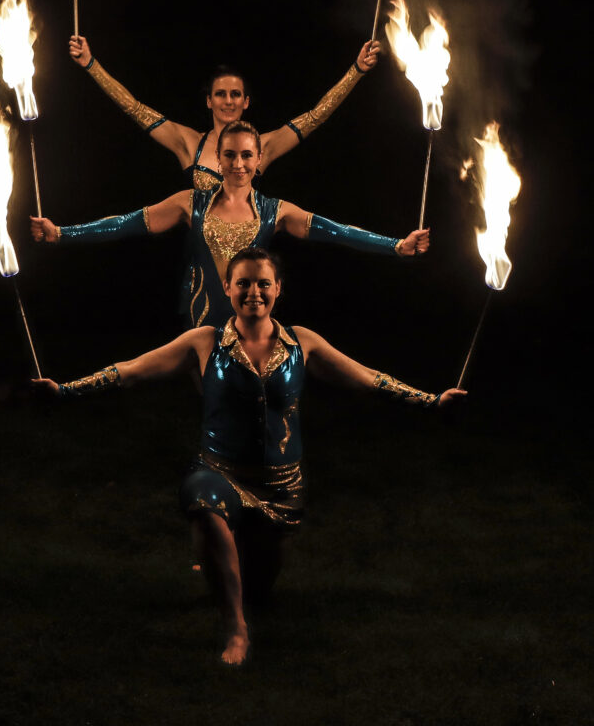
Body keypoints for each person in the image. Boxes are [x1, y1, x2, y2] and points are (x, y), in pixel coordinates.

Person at [32, 247, 467, 666]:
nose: (253, 292)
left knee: (259, 589)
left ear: (279, 288)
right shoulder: (204, 342)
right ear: (227, 287)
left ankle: (228, 563)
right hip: (219, 472)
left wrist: (430, 401)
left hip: (281, 489)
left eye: (263, 283)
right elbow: (131, 369)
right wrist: (66, 390)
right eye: (243, 284)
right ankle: (236, 629)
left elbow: (369, 379)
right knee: (205, 503)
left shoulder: (303, 344)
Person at [30, 120, 430, 329]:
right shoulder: (191, 203)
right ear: (217, 159)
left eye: (247, 156)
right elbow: (125, 223)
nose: (238, 164)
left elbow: (338, 231)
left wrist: (394, 245)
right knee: (211, 399)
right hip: (199, 315)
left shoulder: (276, 211)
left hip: (254, 316)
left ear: (258, 160)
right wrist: (63, 233)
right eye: (230, 156)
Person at [68, 34, 380, 189]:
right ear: (209, 101)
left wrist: (357, 70)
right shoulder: (190, 143)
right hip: (202, 268)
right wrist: (91, 65)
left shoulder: (264, 146)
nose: (228, 101)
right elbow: (135, 109)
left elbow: (316, 116)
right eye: (220, 94)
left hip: (251, 269)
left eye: (235, 95)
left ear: (246, 102)